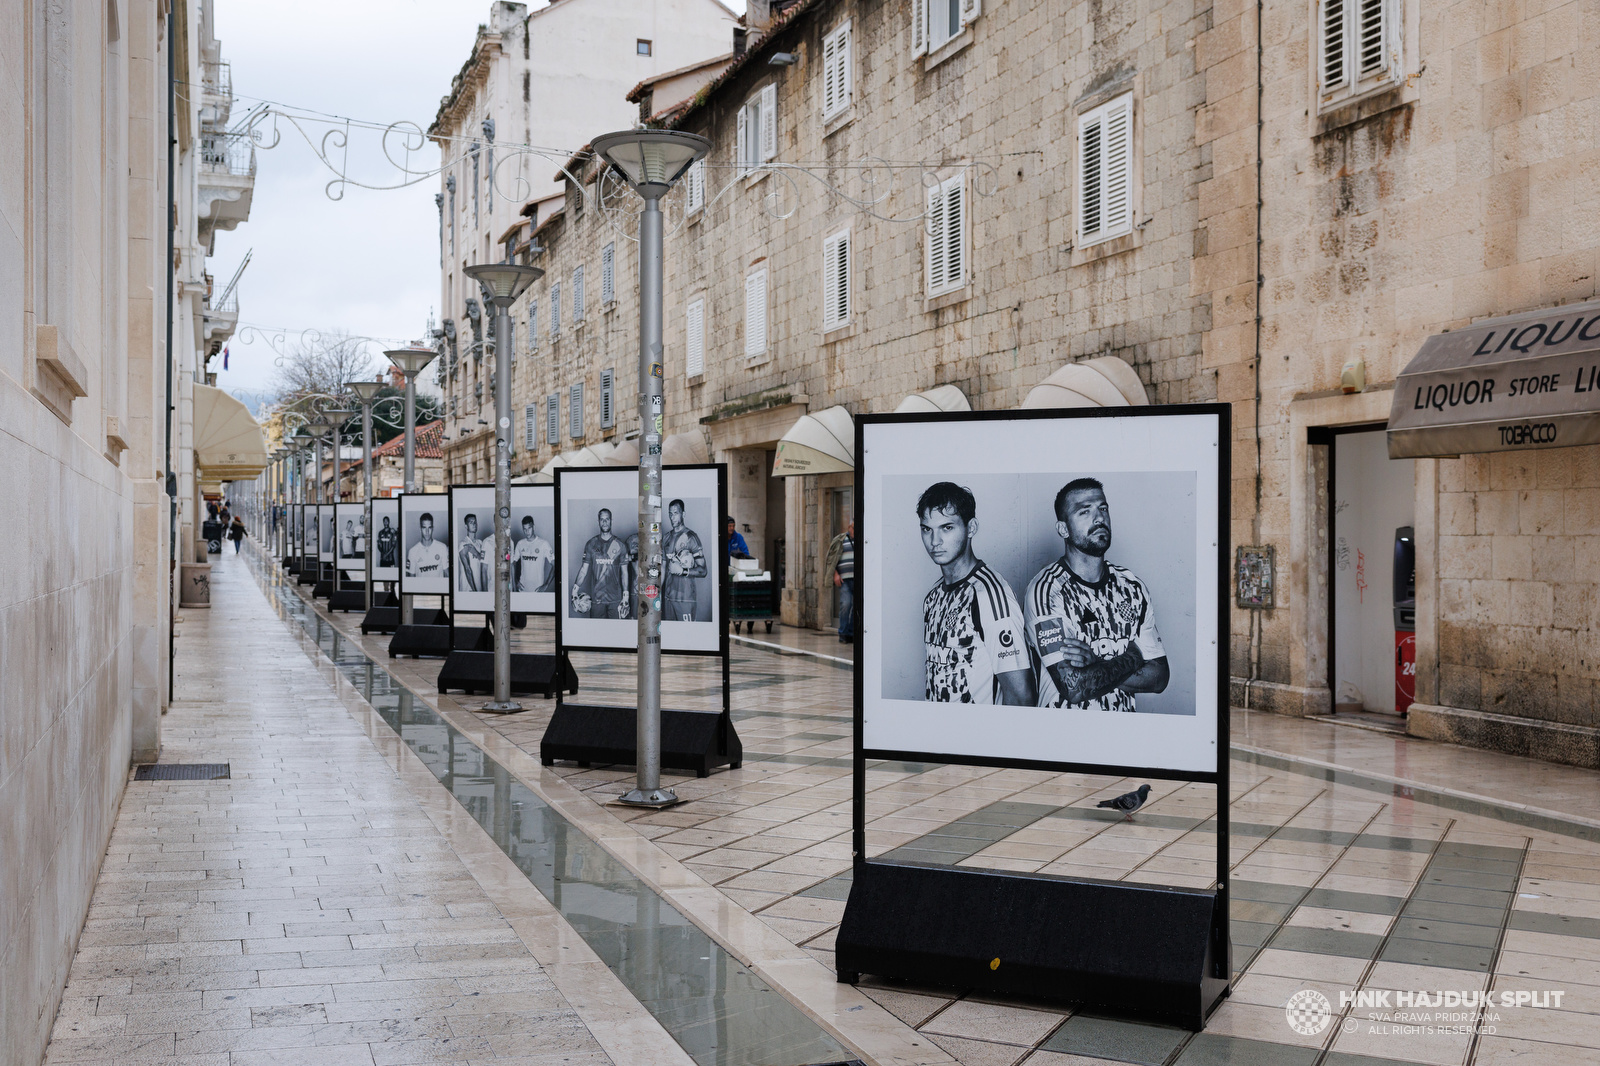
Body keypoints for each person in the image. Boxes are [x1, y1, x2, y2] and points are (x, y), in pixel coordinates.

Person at [1025, 478, 1169, 712]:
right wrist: (1133, 657)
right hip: (1063, 738)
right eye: (1084, 512)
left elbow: (1160, 677)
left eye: (1103, 509)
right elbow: (1074, 687)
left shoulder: (1132, 587)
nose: (1099, 518)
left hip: (1120, 737)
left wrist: (1098, 663)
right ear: (1063, 528)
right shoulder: (1047, 591)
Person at [915, 483, 1034, 705]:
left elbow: (1021, 695)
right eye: (927, 529)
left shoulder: (990, 595)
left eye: (947, 528)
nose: (935, 541)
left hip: (978, 736)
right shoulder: (933, 597)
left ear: (971, 528)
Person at [572, 508, 628, 618]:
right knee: (596, 632)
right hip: (596, 599)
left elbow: (625, 573)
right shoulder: (591, 544)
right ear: (598, 522)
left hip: (615, 599)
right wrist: (574, 591)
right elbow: (583, 570)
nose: (605, 522)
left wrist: (625, 596)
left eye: (607, 519)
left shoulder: (620, 545)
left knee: (616, 632)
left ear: (611, 520)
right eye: (602, 520)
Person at [663, 499, 707, 622]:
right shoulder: (666, 538)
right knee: (669, 637)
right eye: (670, 514)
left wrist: (683, 571)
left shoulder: (691, 537)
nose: (672, 517)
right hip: (668, 599)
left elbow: (703, 571)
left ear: (683, 514)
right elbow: (663, 567)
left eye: (676, 513)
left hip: (686, 600)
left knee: (686, 636)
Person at [825, 519, 855, 643]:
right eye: (854, 527)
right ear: (849, 527)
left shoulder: (864, 540)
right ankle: (843, 633)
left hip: (859, 579)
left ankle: (852, 632)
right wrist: (835, 574)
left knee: (857, 606)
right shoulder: (840, 540)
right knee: (846, 604)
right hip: (844, 579)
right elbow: (830, 559)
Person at [512, 514, 555, 593]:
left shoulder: (543, 544)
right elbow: (512, 563)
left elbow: (555, 565)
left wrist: (546, 584)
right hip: (522, 590)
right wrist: (515, 581)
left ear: (534, 527)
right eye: (524, 529)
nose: (527, 531)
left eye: (529, 528)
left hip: (537, 590)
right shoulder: (520, 544)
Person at [405, 511, 449, 582]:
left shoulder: (442, 548)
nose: (427, 531)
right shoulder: (412, 551)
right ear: (420, 529)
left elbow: (447, 575)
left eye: (430, 528)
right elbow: (410, 580)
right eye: (424, 528)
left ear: (433, 528)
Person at [458, 512, 491, 592]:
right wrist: (474, 590)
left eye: (475, 522)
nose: (474, 524)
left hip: (479, 587)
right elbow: (467, 569)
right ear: (466, 526)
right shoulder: (463, 544)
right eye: (471, 522)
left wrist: (475, 552)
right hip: (469, 588)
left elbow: (484, 561)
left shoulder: (480, 543)